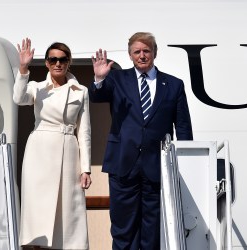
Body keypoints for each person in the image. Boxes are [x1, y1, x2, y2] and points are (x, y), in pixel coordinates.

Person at [89, 32, 193, 250]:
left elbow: (182, 127)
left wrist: (185, 163)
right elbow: (97, 97)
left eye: (146, 51)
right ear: (130, 55)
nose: (142, 56)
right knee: (122, 228)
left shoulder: (174, 85)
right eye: (137, 52)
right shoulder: (116, 79)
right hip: (122, 165)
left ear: (155, 53)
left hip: (157, 167)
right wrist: (99, 79)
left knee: (152, 230)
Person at [13, 38, 92, 250]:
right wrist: (23, 68)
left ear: (68, 62)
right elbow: (19, 98)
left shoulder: (80, 90)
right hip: (40, 150)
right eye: (53, 59)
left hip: (68, 150)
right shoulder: (36, 87)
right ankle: (36, 244)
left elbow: (84, 131)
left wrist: (86, 169)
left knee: (69, 208)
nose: (58, 63)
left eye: (63, 59)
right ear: (47, 63)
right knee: (38, 207)